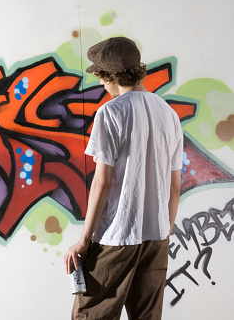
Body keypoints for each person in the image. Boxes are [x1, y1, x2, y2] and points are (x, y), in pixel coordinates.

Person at [64, 37, 183, 320]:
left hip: (117, 236)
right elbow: (175, 186)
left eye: (102, 78)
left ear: (111, 76)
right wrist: (163, 231)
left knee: (92, 314)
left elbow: (102, 182)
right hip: (156, 237)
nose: (102, 85)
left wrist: (84, 240)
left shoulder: (111, 112)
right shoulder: (169, 114)